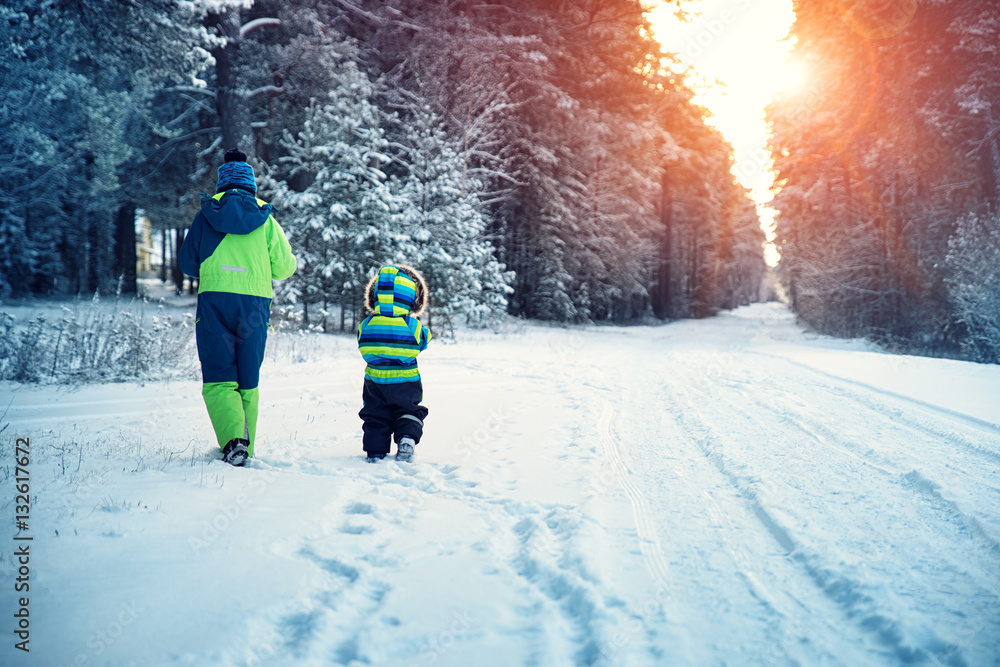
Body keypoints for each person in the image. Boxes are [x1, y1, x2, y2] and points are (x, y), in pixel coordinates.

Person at [179, 148, 296, 466]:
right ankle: (247, 445)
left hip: (215, 301)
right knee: (248, 377)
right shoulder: (266, 219)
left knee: (219, 374)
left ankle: (233, 441)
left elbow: (188, 263)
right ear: (251, 185)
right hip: (255, 303)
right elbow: (285, 267)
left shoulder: (207, 215)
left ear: (222, 184)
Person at [357, 264, 431, 462]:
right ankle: (407, 438)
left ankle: (374, 450)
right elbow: (423, 340)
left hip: (374, 379)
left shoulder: (367, 324)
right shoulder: (411, 325)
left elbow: (361, 341)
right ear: (410, 299)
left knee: (375, 414)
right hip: (405, 379)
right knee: (408, 410)